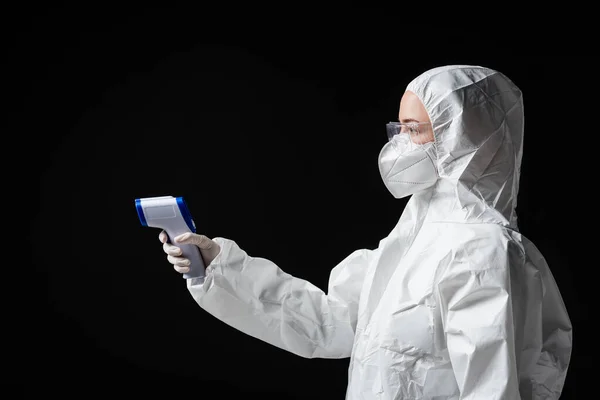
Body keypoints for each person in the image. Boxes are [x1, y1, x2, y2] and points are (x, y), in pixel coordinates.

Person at [158, 65, 573, 399]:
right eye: (400, 129)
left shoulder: (483, 252)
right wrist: (219, 267)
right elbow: (329, 324)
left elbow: (492, 390)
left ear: (464, 140)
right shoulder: (415, 233)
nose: (399, 145)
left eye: (414, 130)